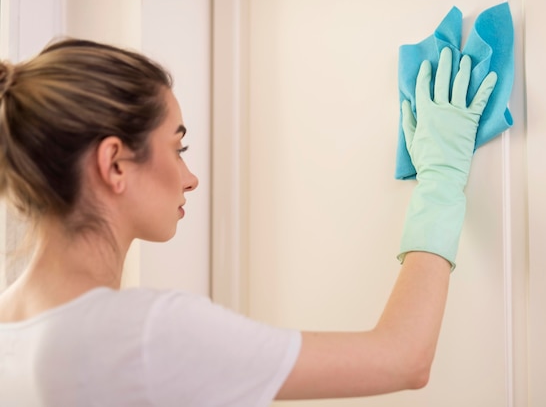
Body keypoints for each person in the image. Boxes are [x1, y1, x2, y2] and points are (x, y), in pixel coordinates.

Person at [0, 39, 496, 406]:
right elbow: (402, 358)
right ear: (114, 164)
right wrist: (441, 181)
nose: (190, 178)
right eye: (178, 147)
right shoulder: (148, 333)